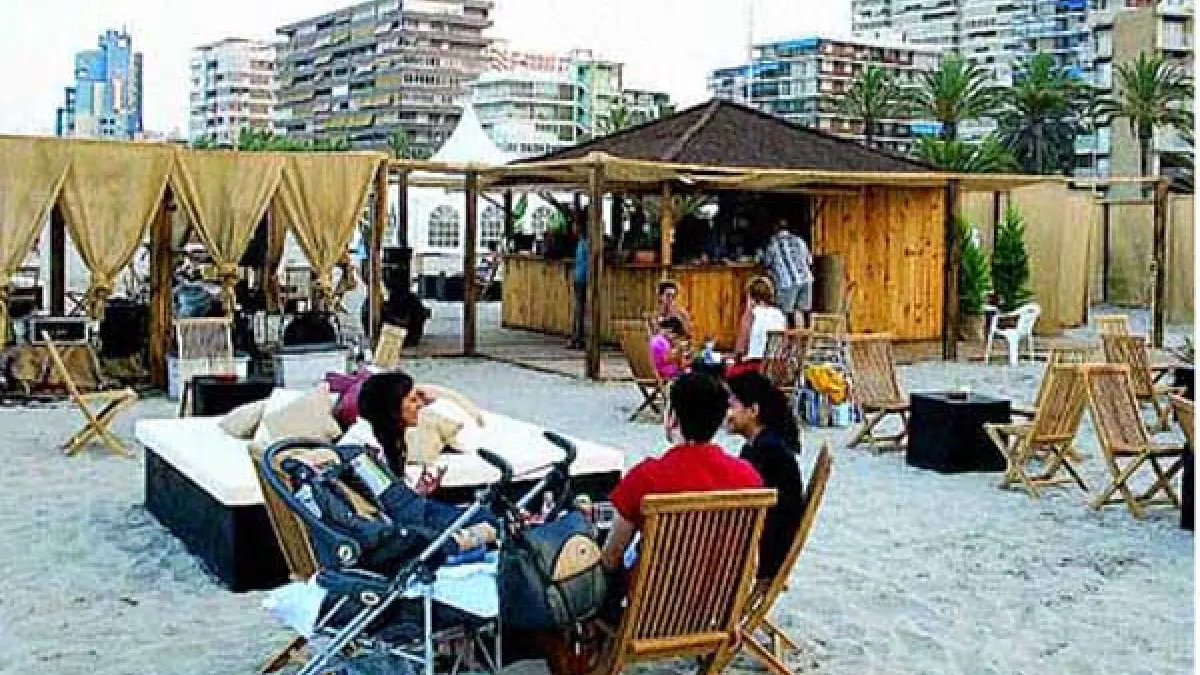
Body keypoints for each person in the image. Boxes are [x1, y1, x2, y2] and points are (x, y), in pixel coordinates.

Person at [600, 372, 763, 594]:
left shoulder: (647, 477)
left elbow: (611, 558)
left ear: (673, 418)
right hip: (716, 606)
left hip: (652, 605)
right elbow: (751, 561)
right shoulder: (748, 477)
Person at [725, 371, 807, 580]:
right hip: (766, 543)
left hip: (763, 553)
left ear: (753, 410)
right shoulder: (762, 444)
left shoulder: (767, 451)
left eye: (732, 406)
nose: (727, 414)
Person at [728, 276, 787, 378]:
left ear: (750, 297)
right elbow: (784, 344)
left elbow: (739, 350)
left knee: (725, 371)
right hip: (776, 369)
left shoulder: (751, 315)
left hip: (755, 369)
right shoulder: (780, 315)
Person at [759, 219, 813, 328]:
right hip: (806, 279)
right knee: (800, 311)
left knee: (784, 314)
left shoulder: (773, 244)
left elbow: (766, 262)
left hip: (787, 282)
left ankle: (786, 338)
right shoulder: (799, 240)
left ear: (775, 228)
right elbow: (810, 260)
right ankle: (800, 338)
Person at [568, 232, 588, 350]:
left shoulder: (582, 243)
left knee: (578, 309)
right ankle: (578, 337)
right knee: (580, 309)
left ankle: (576, 337)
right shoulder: (586, 244)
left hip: (579, 277)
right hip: (583, 278)